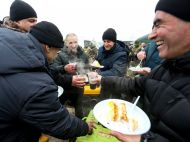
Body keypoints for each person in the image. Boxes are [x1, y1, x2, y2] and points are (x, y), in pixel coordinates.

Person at [96, 0, 190, 141]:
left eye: (159, 24)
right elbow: (133, 85)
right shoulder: (164, 68)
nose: (151, 36)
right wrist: (102, 79)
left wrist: (145, 140)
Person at [0, 21, 94, 142]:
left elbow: (49, 70)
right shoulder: (38, 85)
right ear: (47, 47)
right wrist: (85, 127)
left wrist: (73, 77)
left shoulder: (9, 39)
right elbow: (60, 123)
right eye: (57, 51)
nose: (56, 55)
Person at [50, 33, 89, 117]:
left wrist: (86, 73)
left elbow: (87, 68)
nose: (73, 45)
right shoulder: (59, 55)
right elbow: (54, 71)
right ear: (66, 44)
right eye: (70, 43)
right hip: (65, 85)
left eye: (75, 42)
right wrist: (65, 68)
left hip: (80, 85)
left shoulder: (83, 54)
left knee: (83, 100)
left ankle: (81, 121)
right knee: (58, 102)